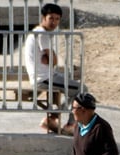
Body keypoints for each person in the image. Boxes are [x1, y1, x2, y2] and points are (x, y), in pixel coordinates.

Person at [23, 2, 82, 134]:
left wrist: (50, 58)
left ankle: (53, 118)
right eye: (51, 18)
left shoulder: (39, 32)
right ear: (43, 18)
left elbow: (51, 60)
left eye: (57, 19)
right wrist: (51, 58)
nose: (54, 22)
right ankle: (70, 125)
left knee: (74, 90)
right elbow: (53, 61)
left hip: (47, 76)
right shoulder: (42, 34)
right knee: (81, 90)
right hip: (43, 78)